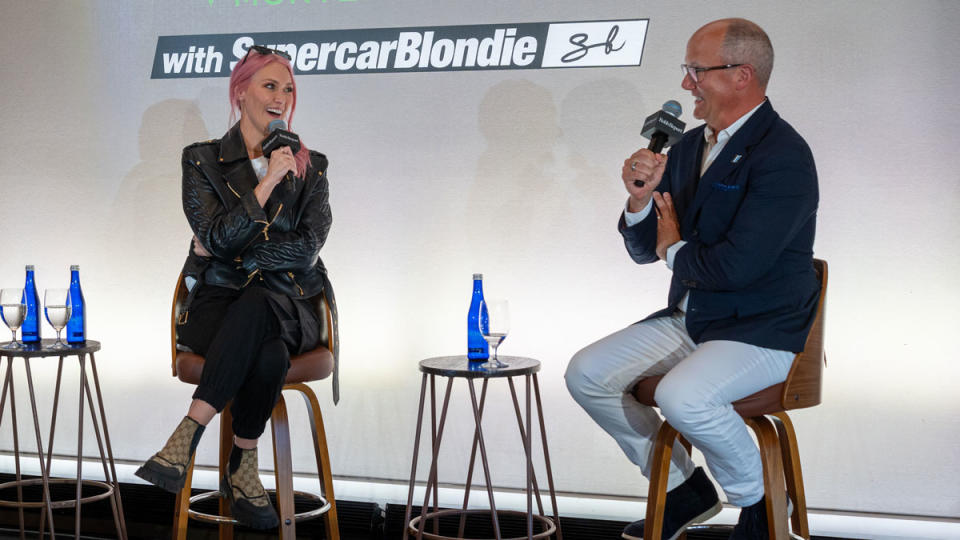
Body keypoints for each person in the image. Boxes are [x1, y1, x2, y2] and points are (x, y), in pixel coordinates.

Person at [565, 18, 819, 540]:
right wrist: (640, 201)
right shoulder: (683, 149)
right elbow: (645, 252)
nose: (685, 85)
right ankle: (686, 490)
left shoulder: (784, 156)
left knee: (684, 396)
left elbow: (735, 267)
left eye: (695, 71)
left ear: (741, 75)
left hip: (760, 326)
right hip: (694, 317)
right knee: (587, 373)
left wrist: (672, 246)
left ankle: (760, 502)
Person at [135, 45, 333, 530]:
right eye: (270, 86)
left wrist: (230, 248)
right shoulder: (201, 161)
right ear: (240, 91)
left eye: (287, 89)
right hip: (219, 306)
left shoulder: (312, 167)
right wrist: (264, 186)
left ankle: (188, 431)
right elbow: (216, 235)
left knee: (263, 299)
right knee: (265, 355)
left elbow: (305, 249)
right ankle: (244, 463)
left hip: (290, 302)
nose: (281, 98)